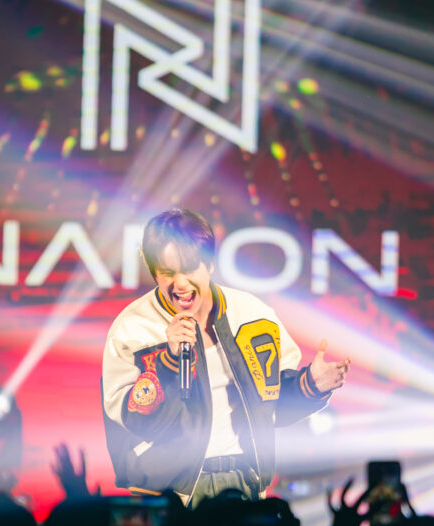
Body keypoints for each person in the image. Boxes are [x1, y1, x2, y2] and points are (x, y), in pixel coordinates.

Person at [101, 209, 349, 507]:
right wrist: (167, 363)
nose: (180, 284)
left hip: (244, 482)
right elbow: (131, 421)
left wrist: (311, 384)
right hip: (170, 492)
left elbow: (272, 408)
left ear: (209, 263)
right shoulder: (132, 329)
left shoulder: (253, 316)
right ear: (154, 273)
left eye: (189, 269)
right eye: (167, 273)